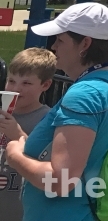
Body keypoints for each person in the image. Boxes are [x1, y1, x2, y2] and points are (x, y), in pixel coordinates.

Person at [0, 2, 108, 221]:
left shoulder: (85, 94)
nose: (54, 47)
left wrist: (15, 155)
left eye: (60, 40)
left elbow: (60, 180)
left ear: (85, 44)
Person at [1, 48, 57, 221]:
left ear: (45, 85)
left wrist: (18, 135)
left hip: (20, 210)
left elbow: (48, 166)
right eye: (11, 80)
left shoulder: (47, 120)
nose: (16, 88)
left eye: (26, 83)